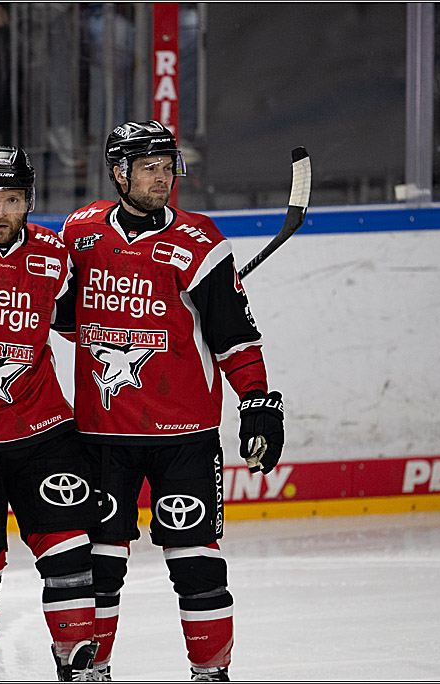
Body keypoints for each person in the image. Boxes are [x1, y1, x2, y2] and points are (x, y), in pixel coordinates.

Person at [53, 121, 286, 682]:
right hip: (103, 435)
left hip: (184, 436)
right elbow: (58, 314)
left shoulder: (201, 242)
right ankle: (94, 670)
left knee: (197, 564)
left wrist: (257, 402)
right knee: (100, 568)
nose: (162, 178)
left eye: (167, 167)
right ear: (119, 172)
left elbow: (234, 335)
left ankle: (210, 672)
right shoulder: (80, 235)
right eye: (149, 168)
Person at [0, 146, 101, 681]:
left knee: (70, 557)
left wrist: (170, 313)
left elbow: (84, 323)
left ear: (28, 199)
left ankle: (76, 664)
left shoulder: (53, 256)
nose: (2, 212)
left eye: (13, 199)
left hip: (43, 429)